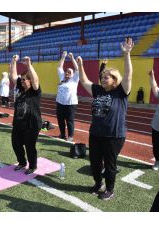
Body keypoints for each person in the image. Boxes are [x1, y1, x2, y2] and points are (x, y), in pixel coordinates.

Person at [77, 37, 134, 200]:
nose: (103, 79)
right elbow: (83, 80)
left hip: (114, 135)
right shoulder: (98, 90)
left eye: (106, 77)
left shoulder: (121, 92)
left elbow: (129, 75)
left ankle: (109, 189)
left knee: (110, 165)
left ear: (115, 80)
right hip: (95, 134)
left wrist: (127, 54)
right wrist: (80, 66)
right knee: (95, 163)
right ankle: (98, 183)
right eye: (102, 77)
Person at [9, 55, 42, 175]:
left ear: (29, 80)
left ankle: (32, 166)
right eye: (21, 80)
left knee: (29, 146)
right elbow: (12, 76)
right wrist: (13, 62)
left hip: (32, 124)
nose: (22, 81)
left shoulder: (34, 91)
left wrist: (29, 65)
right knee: (16, 143)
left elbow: (36, 80)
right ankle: (22, 162)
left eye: (24, 79)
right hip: (18, 123)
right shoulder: (21, 89)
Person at [55, 51, 79, 142]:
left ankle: (70, 136)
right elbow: (60, 67)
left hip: (70, 104)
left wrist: (72, 58)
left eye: (69, 72)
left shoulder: (74, 80)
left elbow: (77, 69)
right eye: (66, 72)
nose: (67, 73)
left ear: (72, 74)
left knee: (69, 121)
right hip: (60, 103)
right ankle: (62, 134)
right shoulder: (62, 77)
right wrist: (63, 57)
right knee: (60, 120)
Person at [148, 69, 159, 170]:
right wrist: (152, 77)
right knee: (156, 145)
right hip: (156, 125)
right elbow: (155, 90)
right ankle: (157, 160)